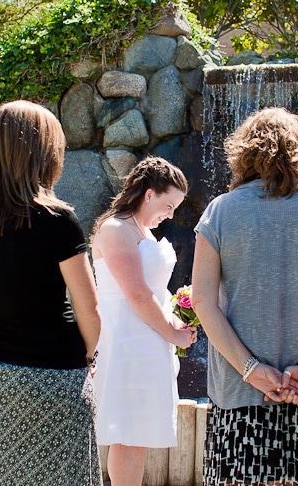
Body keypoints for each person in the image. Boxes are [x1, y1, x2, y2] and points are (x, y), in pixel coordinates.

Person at [192, 107, 298, 486]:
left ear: (242, 153)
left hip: (238, 393)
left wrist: (250, 370)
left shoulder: (220, 213)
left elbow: (202, 302)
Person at [0, 100, 102, 486]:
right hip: (53, 381)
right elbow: (88, 309)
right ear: (45, 153)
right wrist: (90, 354)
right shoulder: (58, 219)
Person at [91, 156, 195, 486]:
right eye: (168, 204)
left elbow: (152, 291)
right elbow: (136, 294)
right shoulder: (116, 229)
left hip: (145, 341)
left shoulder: (142, 231)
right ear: (149, 194)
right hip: (126, 343)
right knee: (127, 433)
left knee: (136, 435)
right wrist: (172, 334)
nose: (171, 214)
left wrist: (175, 319)